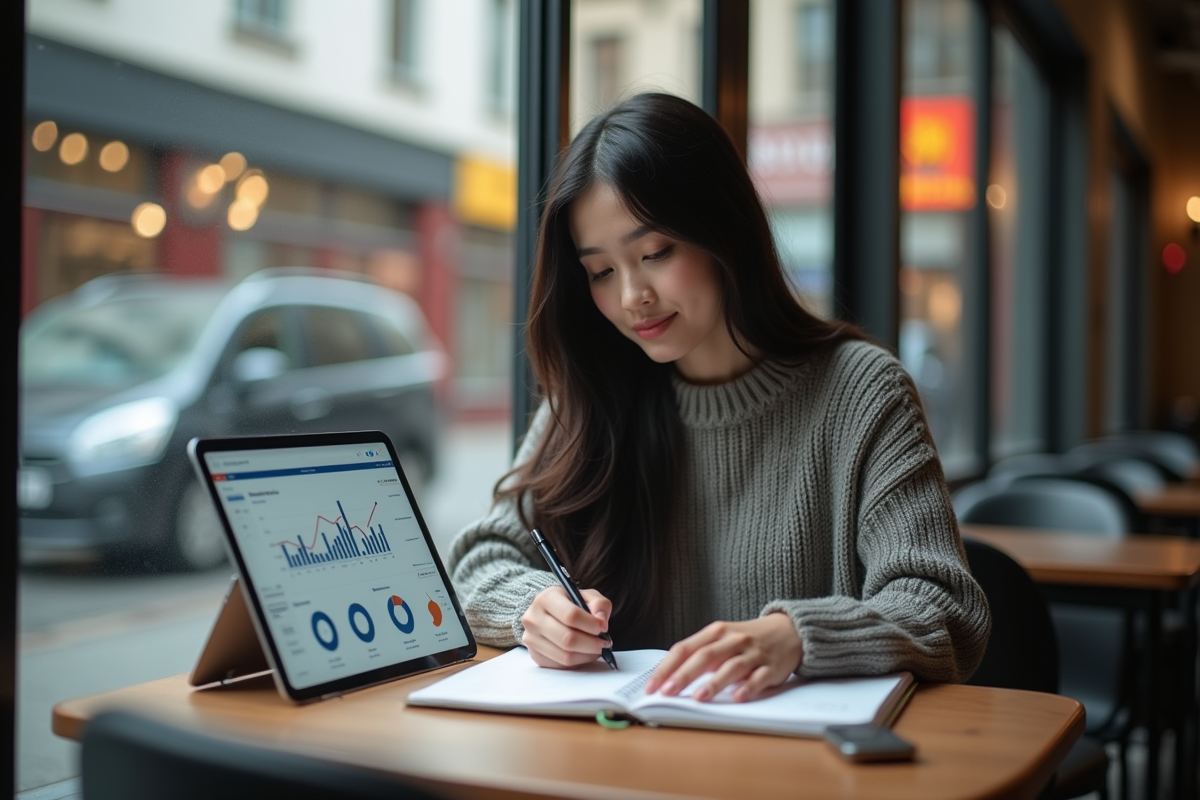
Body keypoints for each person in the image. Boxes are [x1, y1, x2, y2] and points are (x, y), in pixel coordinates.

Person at [447, 92, 989, 703]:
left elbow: (944, 608)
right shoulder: (593, 394)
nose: (632, 296)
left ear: (723, 229)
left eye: (654, 254)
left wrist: (797, 638)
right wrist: (535, 609)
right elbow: (478, 560)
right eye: (601, 271)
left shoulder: (861, 391)